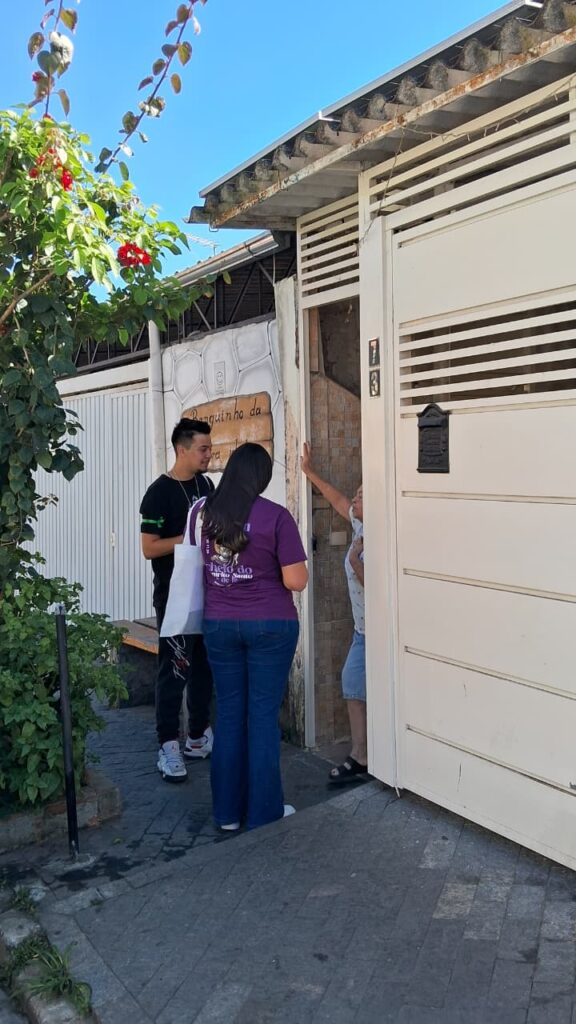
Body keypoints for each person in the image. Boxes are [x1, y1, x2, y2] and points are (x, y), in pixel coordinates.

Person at [190, 442, 308, 831]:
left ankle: (226, 814)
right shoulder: (275, 516)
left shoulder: (205, 515)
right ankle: (263, 813)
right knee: (261, 718)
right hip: (269, 626)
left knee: (228, 715)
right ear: (262, 477)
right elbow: (296, 580)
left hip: (220, 625)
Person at [140, 418, 215, 782]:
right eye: (203, 448)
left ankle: (198, 736)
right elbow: (148, 548)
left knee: (204, 667)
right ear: (182, 449)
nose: (209, 454)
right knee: (174, 668)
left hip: (208, 592)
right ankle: (168, 744)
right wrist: (186, 539)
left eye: (209, 448)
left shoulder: (206, 485)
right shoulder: (158, 493)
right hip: (173, 597)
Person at [301, 442, 367, 784]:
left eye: (362, 495)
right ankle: (363, 754)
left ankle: (363, 755)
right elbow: (338, 499)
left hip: (377, 632)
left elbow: (380, 587)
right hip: (362, 631)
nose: (354, 498)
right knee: (354, 685)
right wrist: (309, 472)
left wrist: (354, 560)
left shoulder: (379, 536)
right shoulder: (359, 526)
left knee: (355, 685)